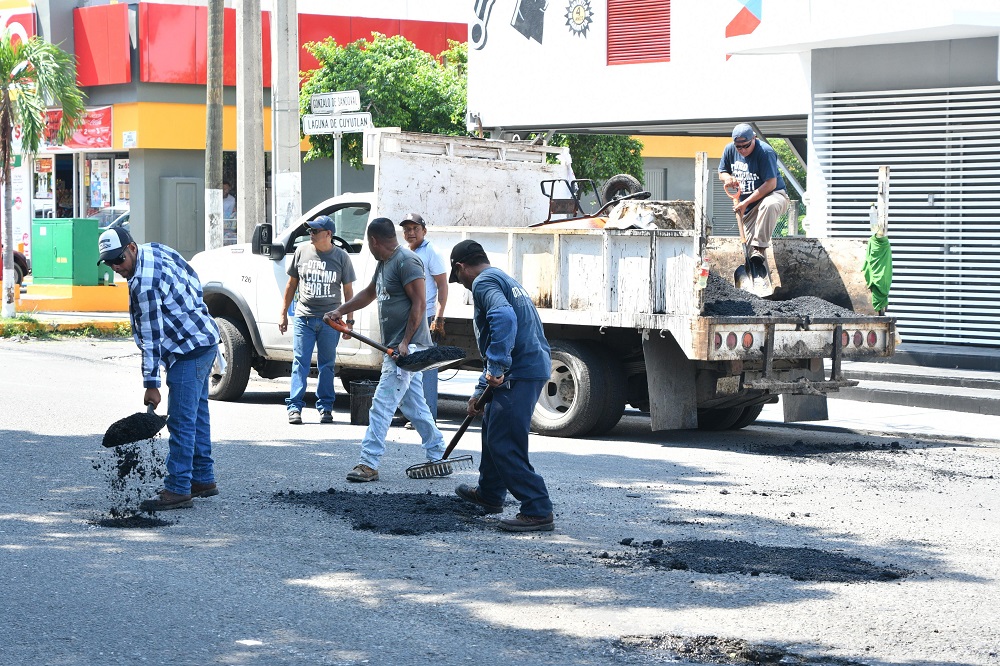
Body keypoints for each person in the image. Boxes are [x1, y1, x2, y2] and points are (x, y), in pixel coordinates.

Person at [97, 226, 221, 511]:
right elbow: (191, 275)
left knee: (180, 420)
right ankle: (202, 478)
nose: (117, 267)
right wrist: (192, 309)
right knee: (197, 413)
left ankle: (178, 487)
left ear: (130, 248)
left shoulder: (144, 283)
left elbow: (152, 339)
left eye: (119, 260)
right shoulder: (155, 249)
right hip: (205, 337)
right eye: (110, 263)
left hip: (188, 350)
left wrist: (151, 384)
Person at [323, 218, 447, 482]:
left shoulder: (406, 262)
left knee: (381, 404)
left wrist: (404, 342)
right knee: (414, 405)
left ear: (373, 241)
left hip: (406, 349)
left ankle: (368, 462)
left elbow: (420, 304)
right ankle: (437, 452)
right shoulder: (385, 263)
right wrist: (340, 310)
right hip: (398, 346)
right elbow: (370, 293)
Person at [448, 240, 555, 532]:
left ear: (460, 268)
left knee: (505, 440)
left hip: (519, 371)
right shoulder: (504, 278)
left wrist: (496, 366)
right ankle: (490, 494)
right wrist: (478, 391)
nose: (463, 286)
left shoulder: (483, 282)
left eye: (458, 280)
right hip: (524, 366)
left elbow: (503, 318)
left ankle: (537, 508)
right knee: (492, 428)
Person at [279, 215, 356, 425]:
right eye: (310, 231)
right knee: (300, 363)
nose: (310, 234)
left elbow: (349, 291)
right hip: (304, 318)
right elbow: (291, 285)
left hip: (330, 321)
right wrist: (283, 313)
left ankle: (325, 407)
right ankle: (294, 407)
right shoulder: (302, 251)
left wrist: (349, 322)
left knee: (327, 365)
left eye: (315, 231)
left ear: (328, 234)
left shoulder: (341, 257)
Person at [718, 123, 790, 284]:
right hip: (748, 208)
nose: (742, 150)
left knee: (768, 205)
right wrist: (727, 178)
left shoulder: (765, 152)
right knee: (753, 259)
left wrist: (746, 202)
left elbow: (770, 184)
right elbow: (721, 171)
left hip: (774, 195)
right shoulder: (730, 149)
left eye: (746, 146)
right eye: (739, 147)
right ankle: (760, 287)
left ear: (754, 139)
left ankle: (759, 248)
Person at [400, 212, 448, 421]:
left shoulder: (431, 252)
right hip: (408, 316)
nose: (411, 233)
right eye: (407, 229)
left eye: (415, 229)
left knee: (426, 366)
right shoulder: (402, 251)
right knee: (408, 365)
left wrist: (439, 317)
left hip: (426, 316)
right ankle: (411, 413)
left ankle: (427, 415)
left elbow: (442, 285)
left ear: (424, 231)